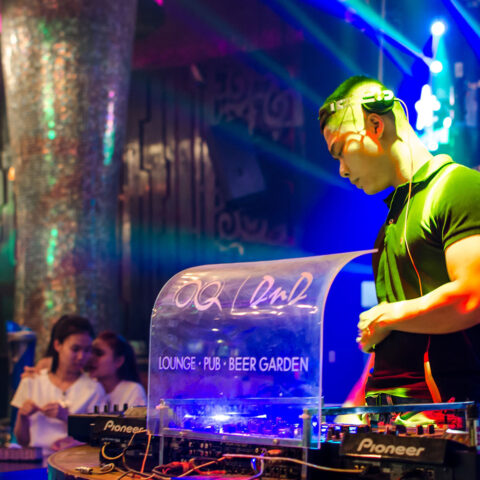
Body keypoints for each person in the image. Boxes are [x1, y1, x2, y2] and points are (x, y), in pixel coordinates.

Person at [318, 75, 480, 405]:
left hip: (451, 424)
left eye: (341, 151)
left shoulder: (458, 187)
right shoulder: (388, 227)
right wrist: (351, 408)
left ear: (375, 125)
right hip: (392, 425)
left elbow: (472, 296)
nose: (342, 170)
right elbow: (393, 339)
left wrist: (387, 316)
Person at [11, 315, 106, 453]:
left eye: (87, 350)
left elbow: (98, 438)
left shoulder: (94, 389)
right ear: (57, 345)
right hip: (36, 458)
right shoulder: (32, 380)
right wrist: (22, 416)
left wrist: (67, 417)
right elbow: (22, 441)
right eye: (75, 349)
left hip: (74, 461)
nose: (81, 356)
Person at [87, 330, 147, 408]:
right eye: (89, 352)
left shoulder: (132, 390)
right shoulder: (88, 387)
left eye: (99, 353)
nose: (90, 358)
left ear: (118, 361)